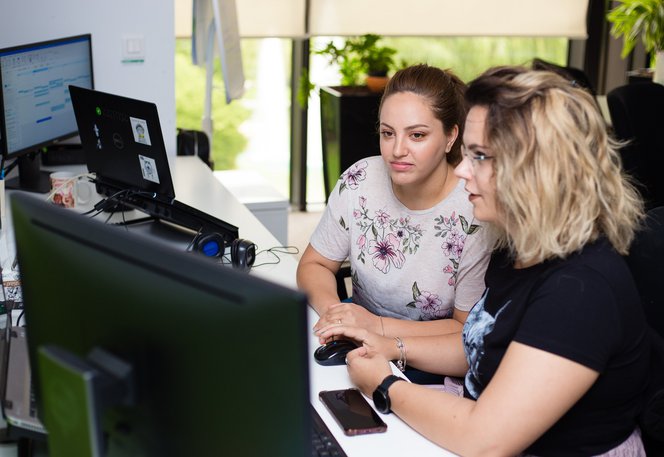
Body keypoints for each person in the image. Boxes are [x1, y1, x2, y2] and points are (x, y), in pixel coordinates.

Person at [315, 66, 651, 455]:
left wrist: (384, 384)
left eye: (479, 156)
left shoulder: (580, 292)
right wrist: (390, 347)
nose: (461, 170)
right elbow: (477, 345)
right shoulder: (520, 248)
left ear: (535, 171)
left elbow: (484, 440)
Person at [297, 64, 493, 363]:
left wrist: (376, 329)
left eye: (417, 135)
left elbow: (465, 330)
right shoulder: (360, 178)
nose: (397, 149)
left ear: (451, 137)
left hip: (426, 360)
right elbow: (315, 264)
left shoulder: (475, 208)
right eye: (387, 133)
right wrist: (335, 315)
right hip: (356, 339)